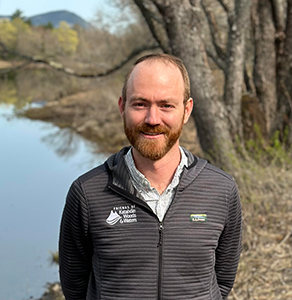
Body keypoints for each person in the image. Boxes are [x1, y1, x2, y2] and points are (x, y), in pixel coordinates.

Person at [59, 53, 242, 300]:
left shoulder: (221, 190)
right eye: (140, 104)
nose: (152, 119)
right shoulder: (87, 193)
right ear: (122, 107)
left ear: (186, 110)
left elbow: (222, 282)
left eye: (166, 105)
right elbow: (74, 286)